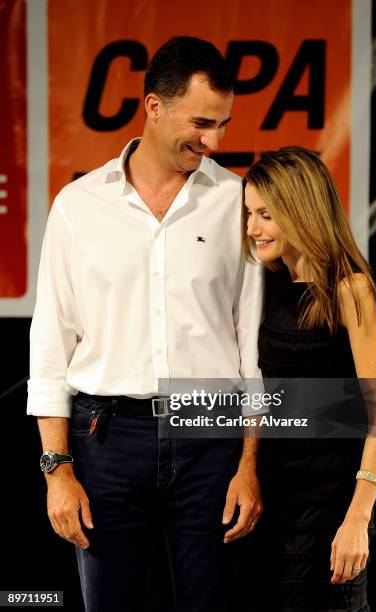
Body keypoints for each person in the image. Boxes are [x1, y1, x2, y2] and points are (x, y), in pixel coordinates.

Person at [27, 36, 264, 612]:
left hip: (212, 437)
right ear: (154, 107)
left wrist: (250, 464)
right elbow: (51, 346)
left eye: (225, 124)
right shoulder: (78, 206)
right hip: (105, 439)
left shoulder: (238, 201)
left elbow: (251, 347)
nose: (215, 142)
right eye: (203, 122)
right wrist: (57, 470)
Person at [242, 147, 376, 611]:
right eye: (249, 214)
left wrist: (358, 515)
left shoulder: (350, 289)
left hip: (334, 501)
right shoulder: (262, 284)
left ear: (301, 209)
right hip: (274, 495)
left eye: (266, 215)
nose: (252, 228)